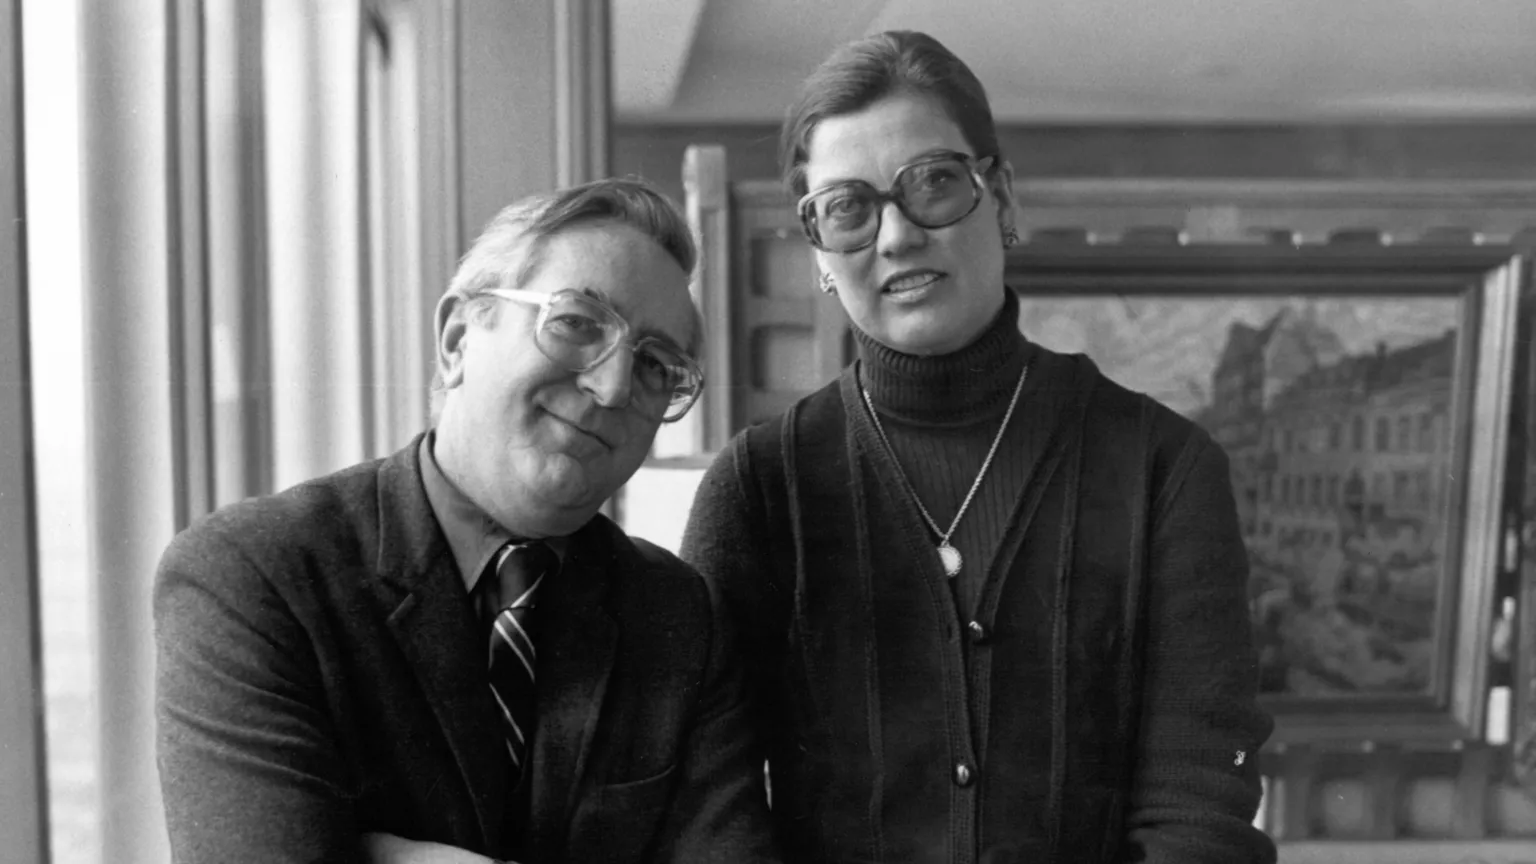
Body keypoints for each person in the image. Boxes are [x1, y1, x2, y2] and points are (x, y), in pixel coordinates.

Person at [680, 31, 1276, 864]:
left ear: (1002, 199)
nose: (895, 236)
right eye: (847, 208)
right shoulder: (758, 487)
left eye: (932, 182)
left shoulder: (1162, 468)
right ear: (820, 252)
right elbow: (711, 807)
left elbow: (1199, 796)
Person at [155, 178, 778, 864]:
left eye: (657, 366)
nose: (612, 386)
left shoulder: (683, 619)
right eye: (577, 323)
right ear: (457, 339)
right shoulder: (255, 577)